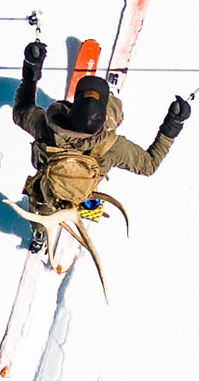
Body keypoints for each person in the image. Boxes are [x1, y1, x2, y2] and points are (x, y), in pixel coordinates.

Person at [11, 40, 190, 239]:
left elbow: (21, 110)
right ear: (103, 118)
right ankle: (112, 97)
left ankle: (40, 235)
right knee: (114, 112)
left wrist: (31, 69)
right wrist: (172, 125)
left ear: (70, 109)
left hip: (48, 194)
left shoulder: (46, 127)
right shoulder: (113, 147)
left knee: (41, 213)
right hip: (84, 190)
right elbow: (149, 164)